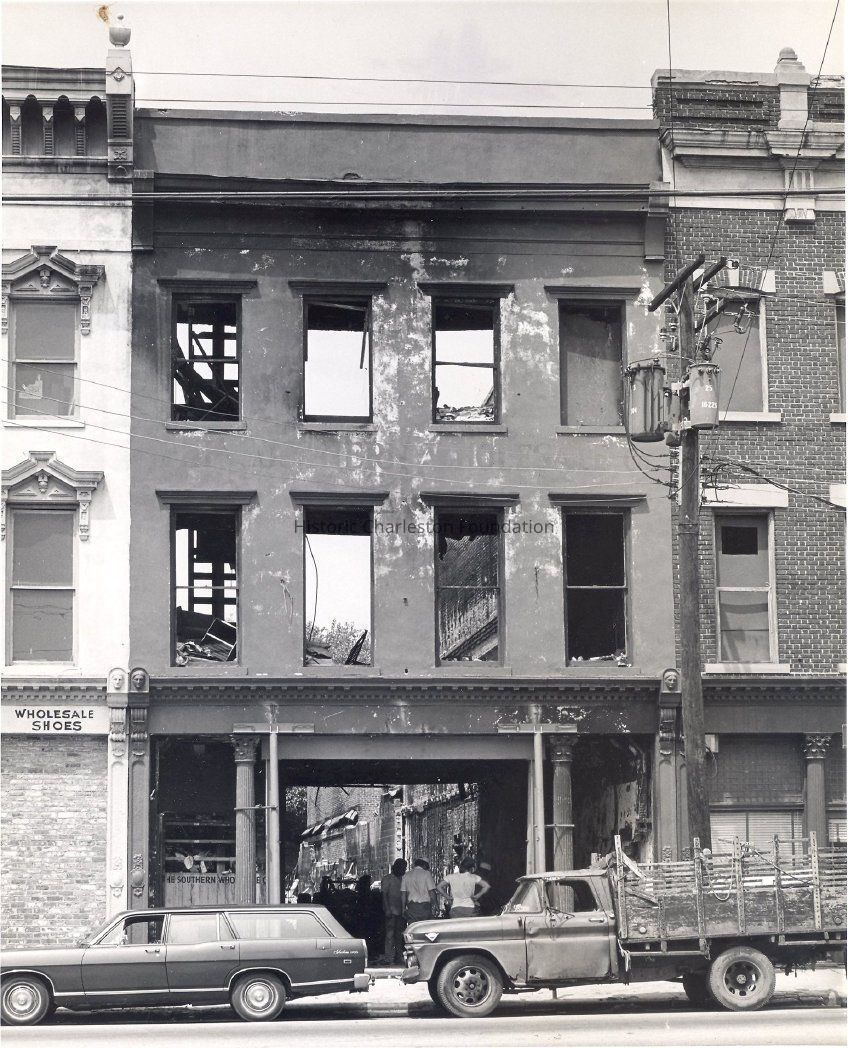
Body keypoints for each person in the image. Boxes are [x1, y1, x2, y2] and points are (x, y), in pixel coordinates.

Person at [379, 858, 407, 965]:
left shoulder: (403, 879)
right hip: (391, 910)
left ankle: (398, 956)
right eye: (402, 868)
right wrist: (387, 909)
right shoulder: (387, 879)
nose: (404, 870)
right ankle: (388, 957)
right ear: (397, 867)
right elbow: (384, 895)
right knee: (390, 935)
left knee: (399, 935)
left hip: (400, 911)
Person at [401, 857, 438, 924]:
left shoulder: (406, 875)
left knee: (413, 927)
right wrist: (436, 905)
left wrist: (403, 908)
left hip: (412, 907)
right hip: (425, 907)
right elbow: (432, 892)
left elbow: (403, 894)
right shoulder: (426, 874)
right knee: (425, 926)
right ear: (424, 865)